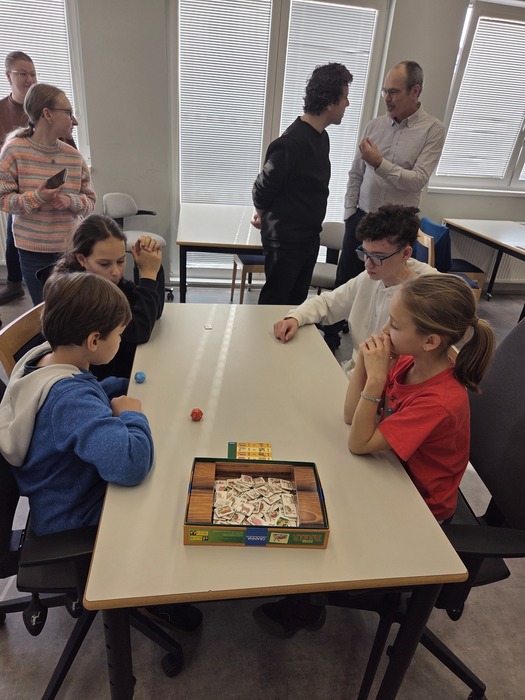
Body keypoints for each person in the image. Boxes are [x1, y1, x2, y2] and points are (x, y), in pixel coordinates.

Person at [254, 273, 495, 639]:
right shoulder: (409, 361)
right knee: (312, 471)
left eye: (394, 324)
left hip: (419, 505)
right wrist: (368, 366)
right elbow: (351, 415)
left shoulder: (440, 400)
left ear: (430, 341)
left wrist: (377, 377)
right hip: (393, 471)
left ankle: (308, 602)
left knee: (321, 509)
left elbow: (359, 441)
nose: (384, 330)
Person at [0, 271, 202, 635]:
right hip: (74, 517)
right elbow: (130, 464)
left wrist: (122, 388)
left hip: (60, 494)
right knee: (173, 491)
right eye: (119, 335)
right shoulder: (69, 401)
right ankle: (151, 595)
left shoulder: (42, 359)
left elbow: (87, 391)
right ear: (94, 340)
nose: (122, 340)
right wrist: (132, 416)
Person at [273, 205, 434, 371]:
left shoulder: (425, 297)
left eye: (377, 256)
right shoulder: (371, 277)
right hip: (357, 371)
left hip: (387, 380)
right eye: (365, 253)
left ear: (406, 254)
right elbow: (328, 303)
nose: (368, 264)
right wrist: (295, 317)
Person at [252, 62, 353, 306]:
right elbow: (261, 190)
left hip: (308, 238)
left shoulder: (322, 137)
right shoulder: (291, 143)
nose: (347, 104)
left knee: (295, 305)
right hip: (285, 242)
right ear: (329, 103)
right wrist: (262, 215)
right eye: (344, 98)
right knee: (274, 305)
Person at [336, 61, 445, 286]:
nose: (387, 98)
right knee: (346, 285)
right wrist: (350, 215)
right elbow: (356, 174)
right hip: (362, 220)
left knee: (389, 291)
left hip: (398, 230)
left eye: (394, 92)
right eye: (385, 91)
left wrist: (379, 163)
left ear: (415, 91)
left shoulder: (433, 130)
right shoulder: (374, 126)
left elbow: (418, 180)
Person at [0, 82, 96, 304]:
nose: (74, 121)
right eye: (68, 112)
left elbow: (91, 201)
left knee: (72, 309)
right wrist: (38, 197)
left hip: (70, 249)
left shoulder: (74, 157)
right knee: (44, 311)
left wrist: (70, 201)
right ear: (47, 114)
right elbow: (3, 200)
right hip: (32, 252)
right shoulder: (14, 151)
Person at [49, 213, 164, 380]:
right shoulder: (78, 292)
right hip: (101, 378)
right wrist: (148, 276)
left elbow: (155, 312)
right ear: (82, 258)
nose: (116, 272)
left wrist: (153, 267)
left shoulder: (105, 279)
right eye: (104, 263)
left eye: (121, 261)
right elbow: (138, 331)